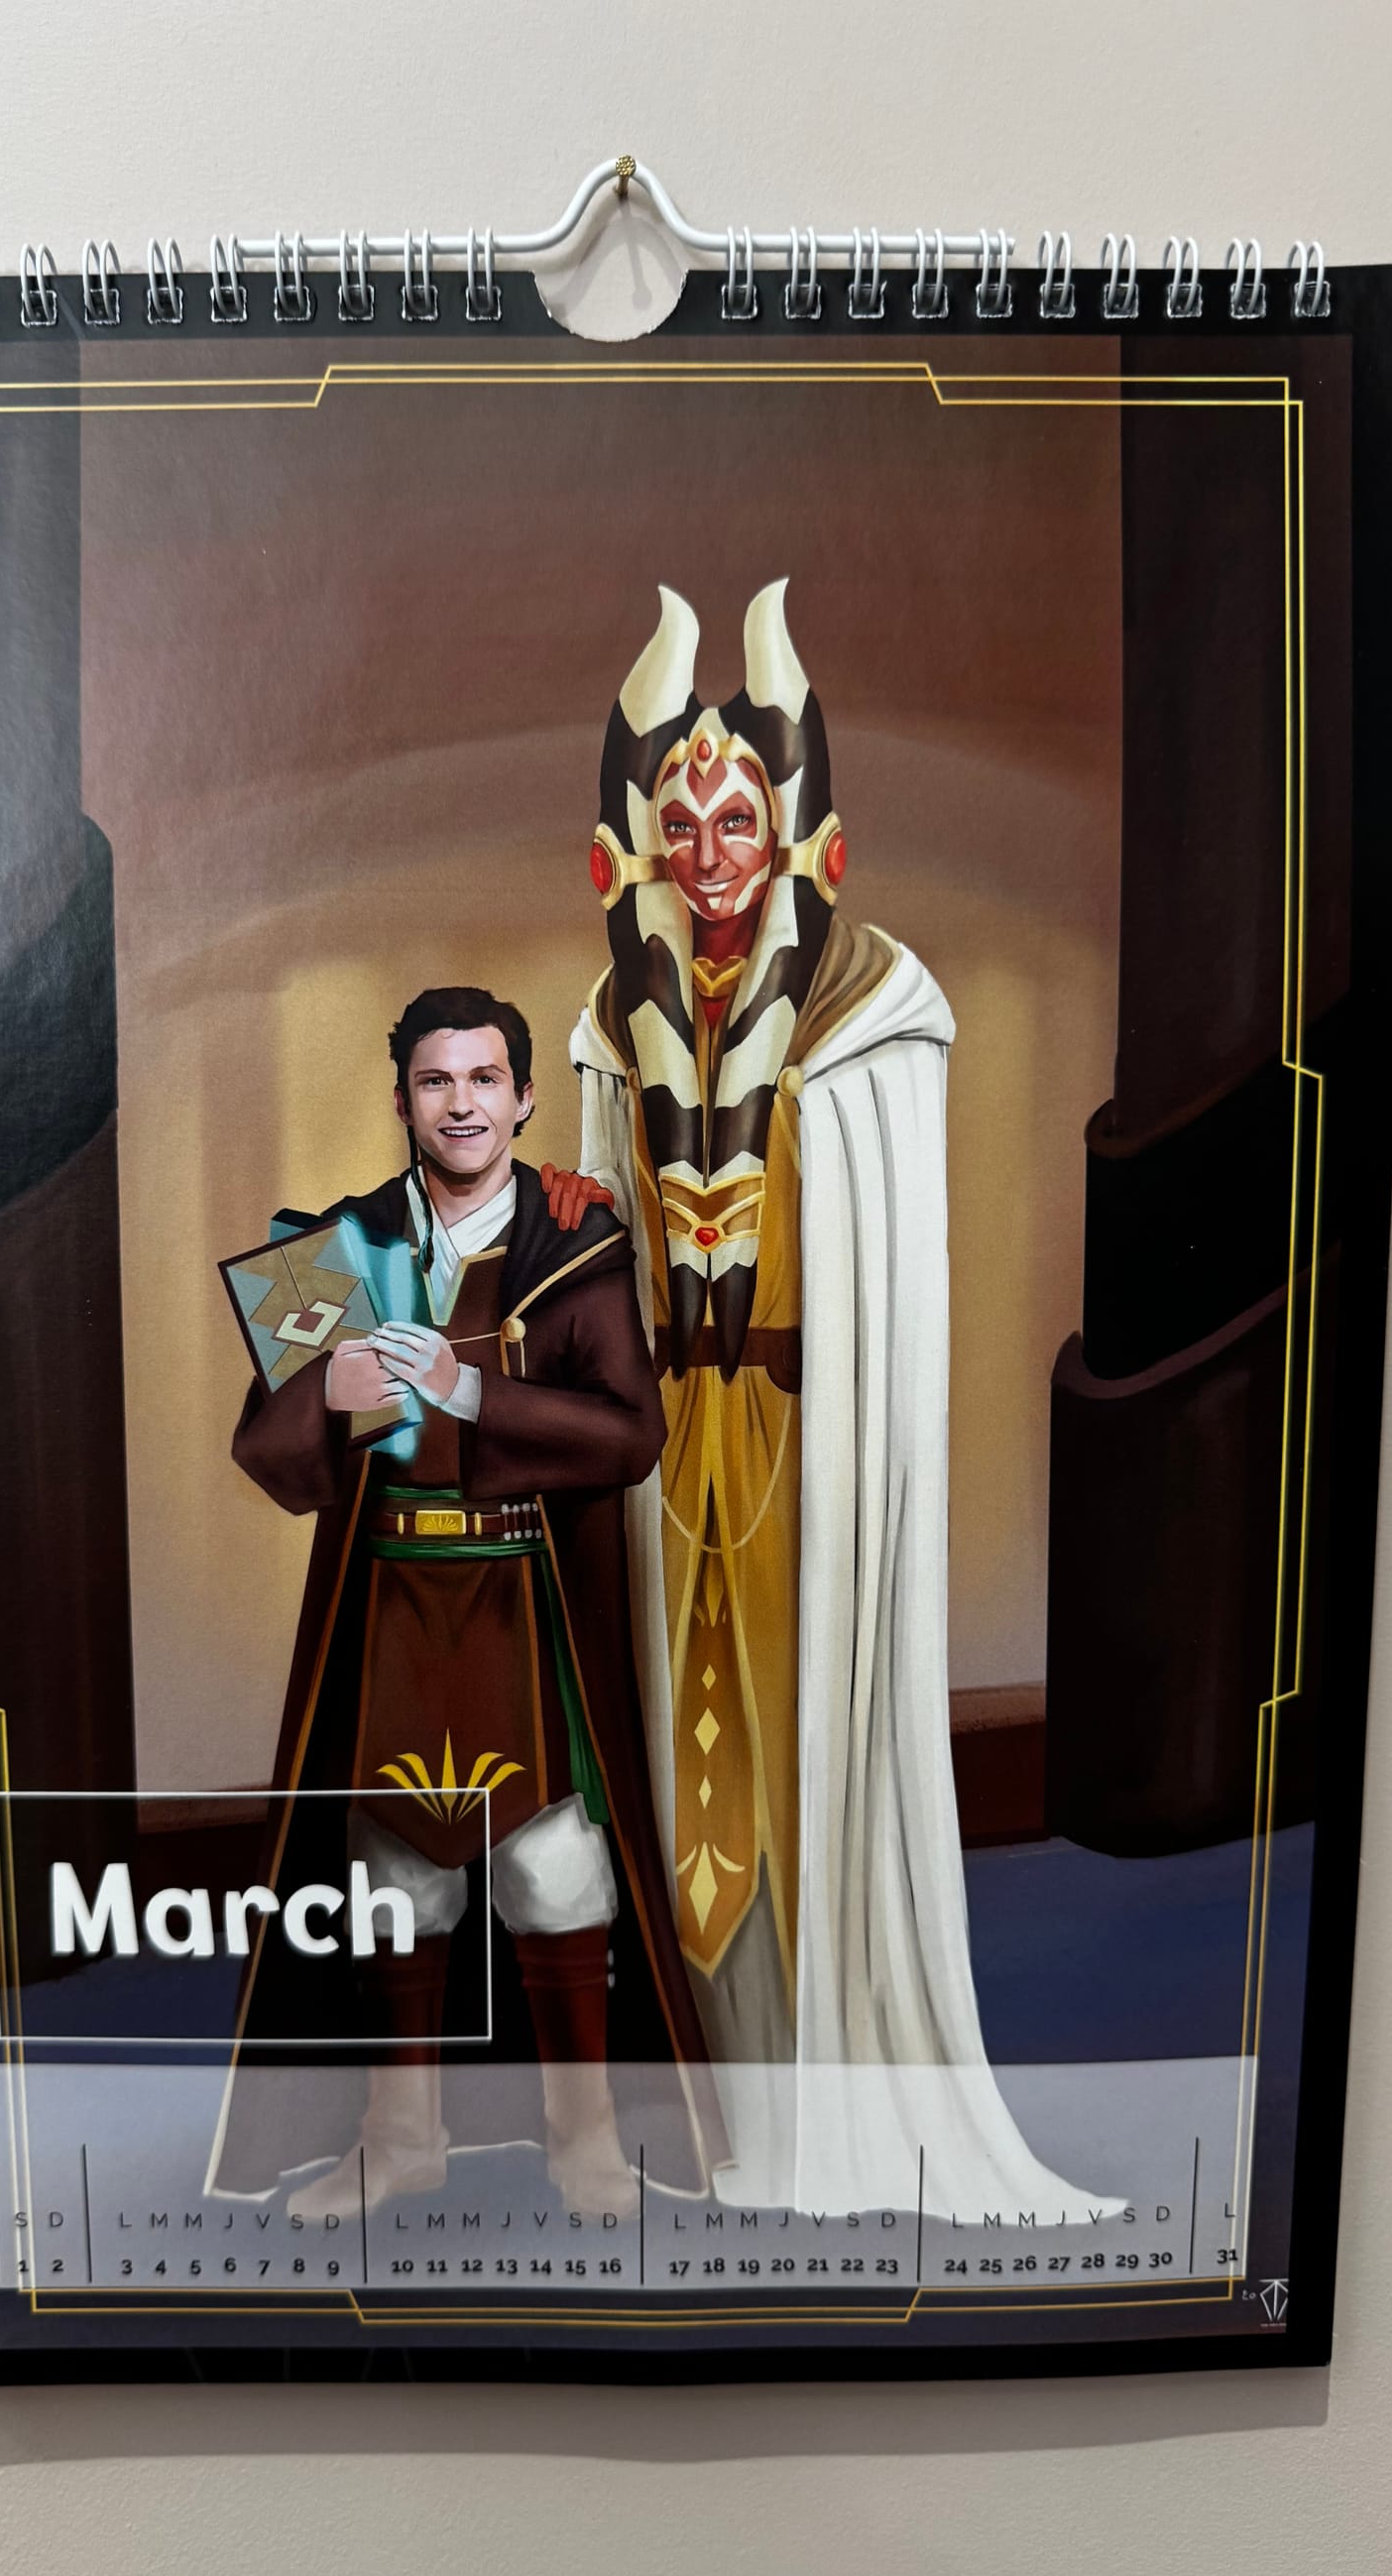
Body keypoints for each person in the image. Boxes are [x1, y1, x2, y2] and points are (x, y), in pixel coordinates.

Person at [556, 583, 1116, 2219]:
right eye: (681, 820)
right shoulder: (614, 1019)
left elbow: (880, 1245)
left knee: (811, 1749)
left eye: (739, 816)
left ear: (803, 830)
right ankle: (712, 2100)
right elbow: (602, 1239)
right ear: (638, 843)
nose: (710, 848)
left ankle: (830, 2103)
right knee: (676, 1765)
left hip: (811, 1447)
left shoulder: (877, 1001)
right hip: (666, 1462)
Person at [207, 986, 726, 2217]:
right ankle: (400, 2141)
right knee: (395, 1879)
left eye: (483, 1079)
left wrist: (471, 1391)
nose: (460, 1105)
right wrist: (328, 1398)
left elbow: (631, 1437)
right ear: (401, 1101)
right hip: (387, 1610)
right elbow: (265, 1454)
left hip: (524, 1606)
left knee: (553, 1871)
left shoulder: (578, 1244)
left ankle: (585, 2139)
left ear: (523, 1097)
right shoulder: (334, 1246)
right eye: (435, 1081)